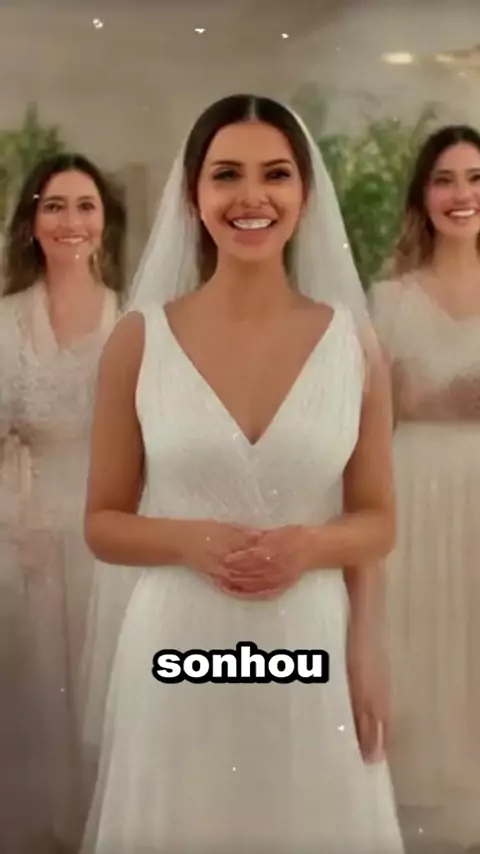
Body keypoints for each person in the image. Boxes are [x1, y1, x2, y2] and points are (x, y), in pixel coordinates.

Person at [81, 94, 403, 853]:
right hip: (176, 644)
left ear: (305, 195)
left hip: (313, 644)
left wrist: (318, 558)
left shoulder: (354, 345)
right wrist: (186, 539)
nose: (251, 196)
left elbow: (378, 519)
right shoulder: (138, 341)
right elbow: (101, 523)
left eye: (275, 175)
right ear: (193, 195)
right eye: (227, 174)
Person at [0, 152, 126, 854]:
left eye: (85, 206)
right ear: (31, 223)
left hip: (116, 535)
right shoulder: (6, 323)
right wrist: (15, 519)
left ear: (105, 222)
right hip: (28, 532)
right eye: (54, 206)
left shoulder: (134, 319)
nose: (70, 221)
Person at [370, 125, 480, 852]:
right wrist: (437, 400)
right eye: (445, 179)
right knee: (422, 650)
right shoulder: (389, 299)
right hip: (415, 497)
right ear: (423, 195)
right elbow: (370, 421)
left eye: (475, 178)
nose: (461, 194)